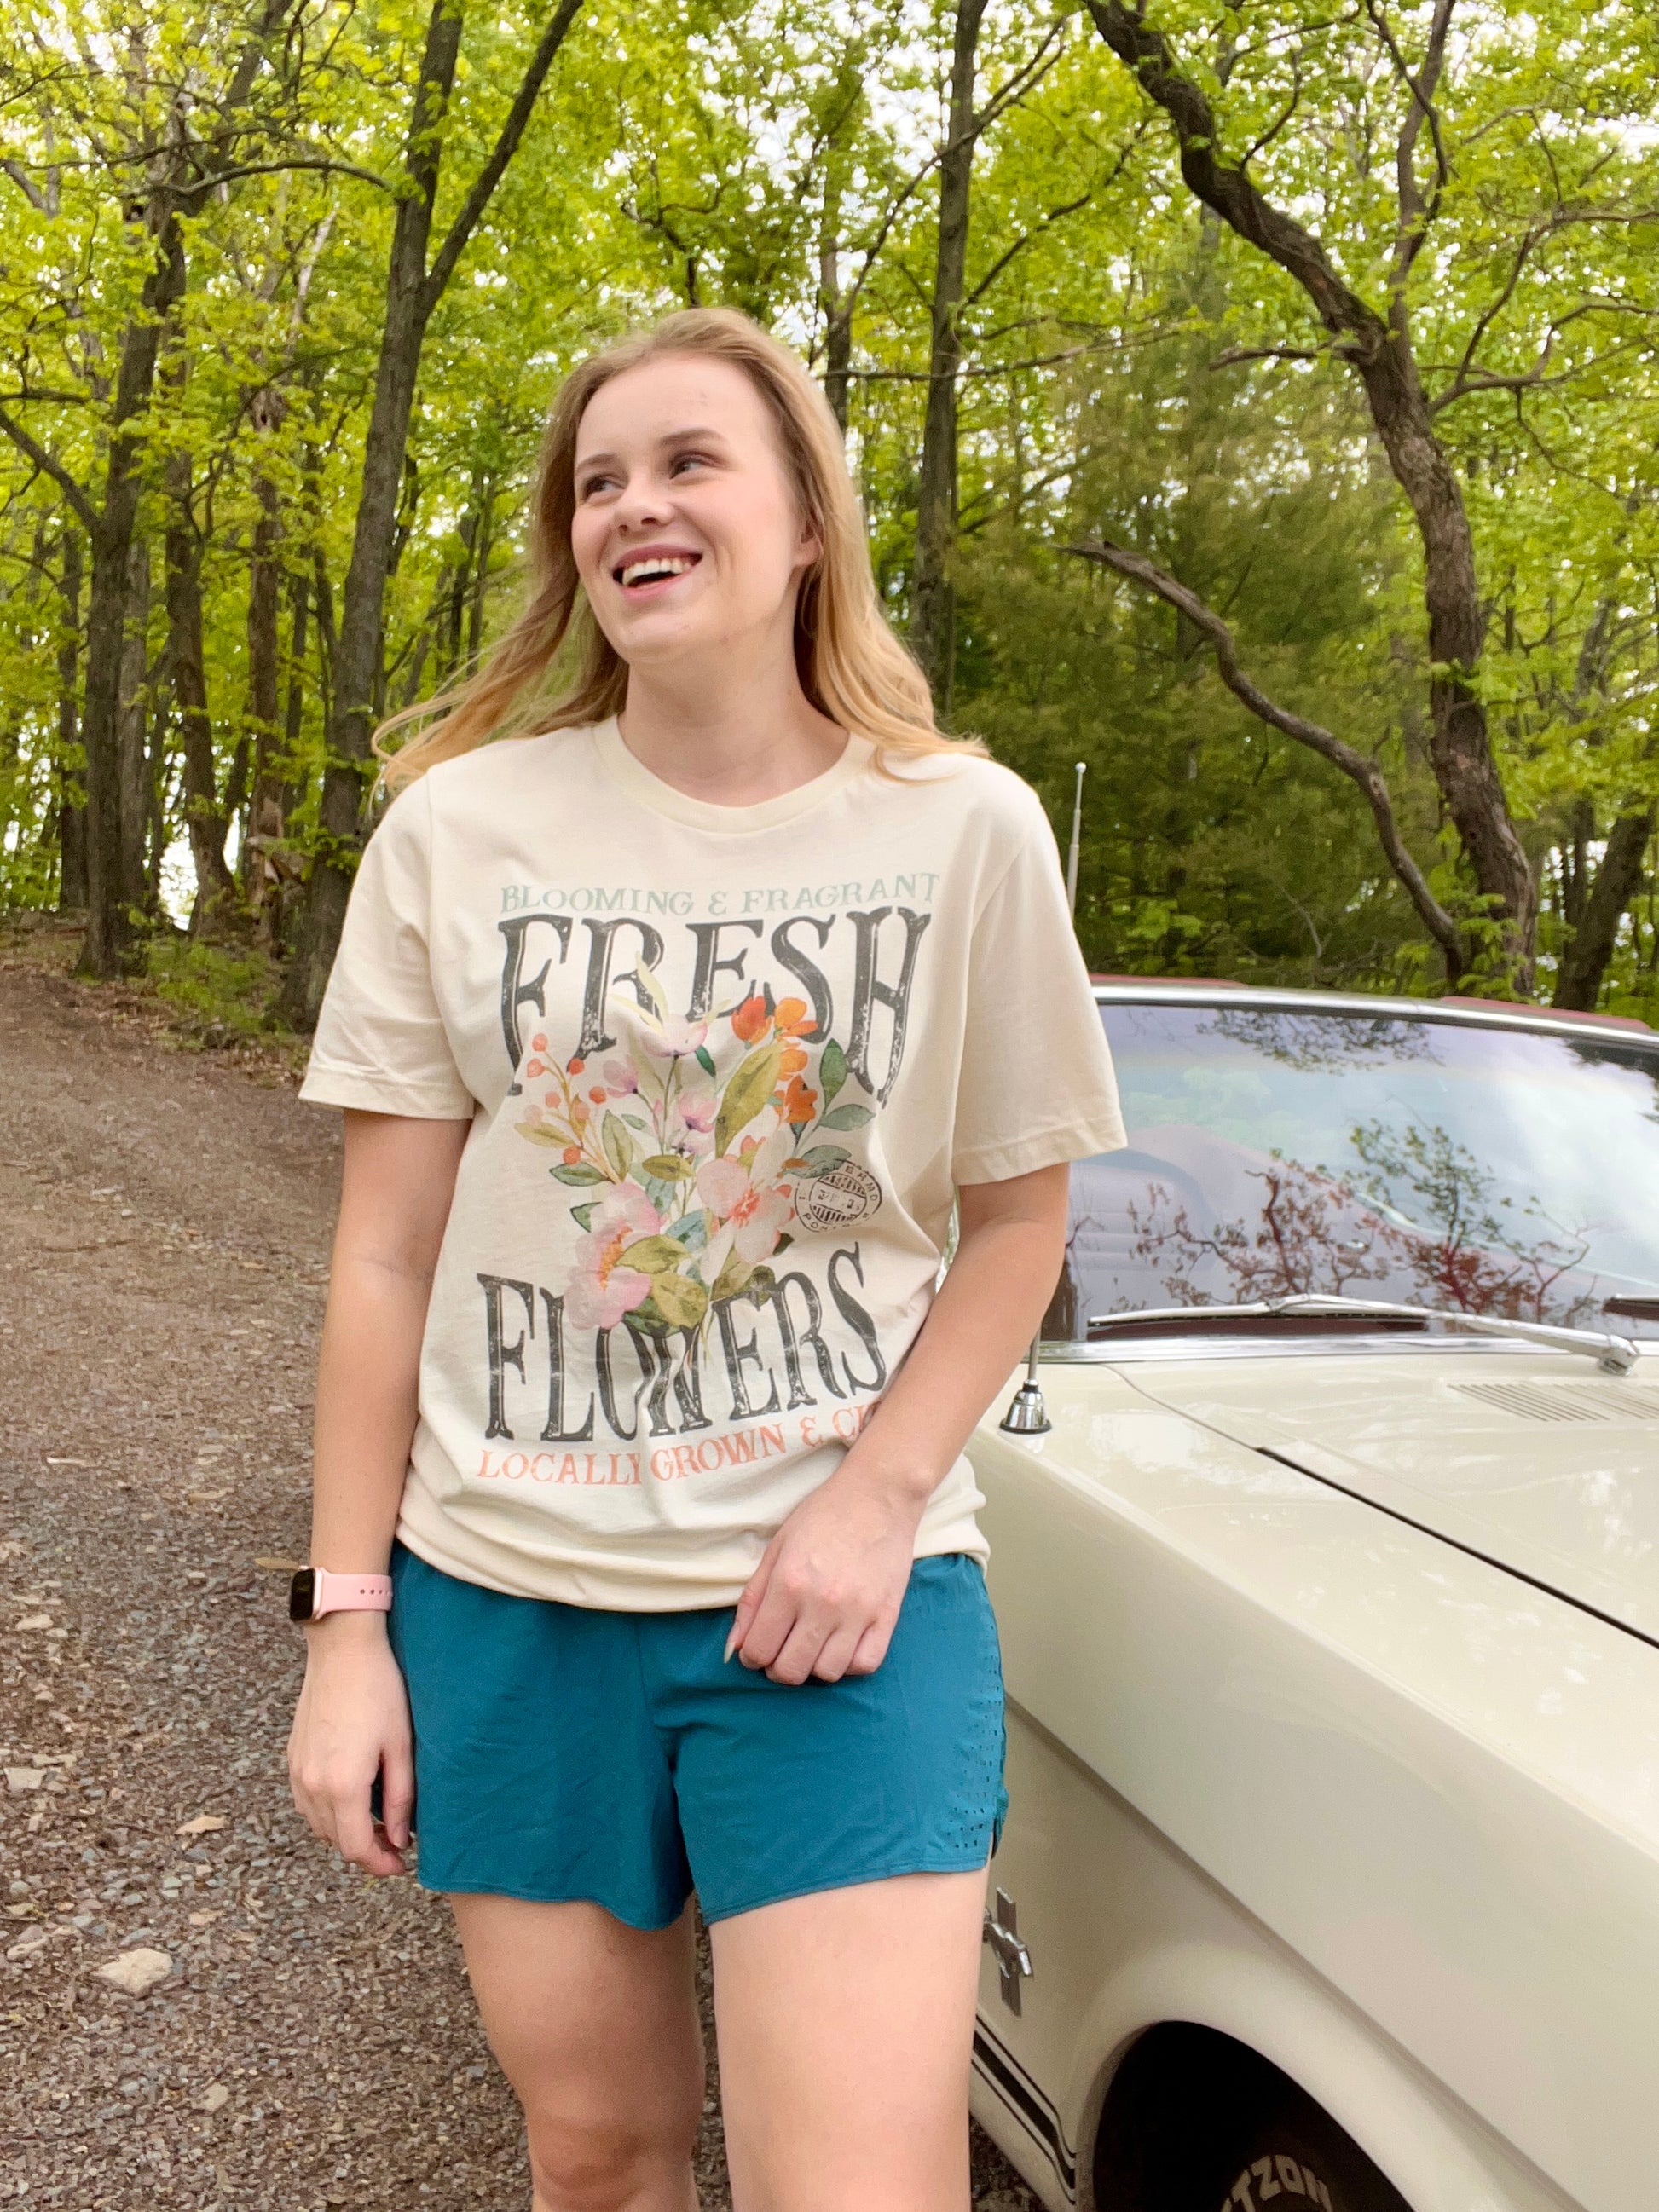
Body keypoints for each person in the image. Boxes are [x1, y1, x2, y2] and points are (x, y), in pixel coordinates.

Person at [286, 305, 1124, 2212]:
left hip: (840, 1613)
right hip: (503, 1597)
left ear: (806, 518)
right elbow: (384, 1260)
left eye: (686, 463)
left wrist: (873, 1498)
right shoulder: (458, 826)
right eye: (597, 482)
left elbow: (1018, 1219)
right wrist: (348, 1624)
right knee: (598, 2152)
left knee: (858, 2186)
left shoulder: (962, 830)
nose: (633, 507)